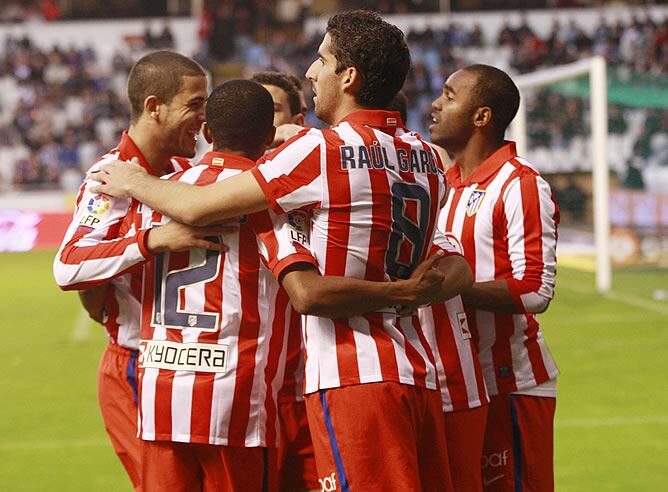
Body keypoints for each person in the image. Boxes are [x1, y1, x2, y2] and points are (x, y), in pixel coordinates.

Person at [91, 10, 472, 490]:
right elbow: (457, 264)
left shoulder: (320, 152)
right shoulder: (424, 155)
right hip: (419, 370)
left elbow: (197, 204)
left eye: (322, 59)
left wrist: (135, 179)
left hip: (353, 375)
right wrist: (415, 294)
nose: (311, 71)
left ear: (348, 77)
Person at [53, 50, 215, 490]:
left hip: (190, 370)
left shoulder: (187, 173)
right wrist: (151, 240)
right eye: (195, 104)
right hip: (135, 368)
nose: (204, 118)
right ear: (153, 107)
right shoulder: (110, 178)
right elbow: (68, 265)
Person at [429, 64, 559, 492]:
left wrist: (444, 291)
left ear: (481, 117)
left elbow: (535, 288)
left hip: (510, 382)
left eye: (449, 96)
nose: (435, 104)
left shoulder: (519, 184)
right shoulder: (442, 186)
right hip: (459, 385)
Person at [252, 70, 319, 492]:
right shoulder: (214, 187)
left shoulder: (321, 179)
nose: (261, 124)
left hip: (311, 384)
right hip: (250, 394)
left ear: (299, 118)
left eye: (272, 111)